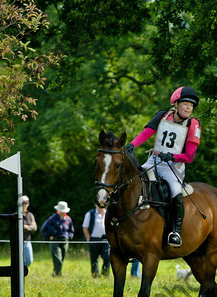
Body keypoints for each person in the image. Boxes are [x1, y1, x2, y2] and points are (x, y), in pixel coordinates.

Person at [125, 86, 201, 247]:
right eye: (186, 104)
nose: (189, 108)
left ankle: (176, 231)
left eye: (191, 105)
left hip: (174, 167)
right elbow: (147, 134)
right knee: (133, 181)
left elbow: (190, 156)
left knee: (175, 191)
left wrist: (172, 156)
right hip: (153, 161)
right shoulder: (162, 116)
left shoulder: (193, 124)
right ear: (176, 104)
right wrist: (132, 145)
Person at [41, 201, 74, 276]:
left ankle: (55, 272)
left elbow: (71, 230)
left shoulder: (68, 219)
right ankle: (58, 274)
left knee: (61, 258)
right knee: (57, 259)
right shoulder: (52, 219)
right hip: (55, 240)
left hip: (65, 240)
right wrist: (48, 236)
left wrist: (68, 236)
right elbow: (44, 229)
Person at [82, 202, 110, 278]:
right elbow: (85, 227)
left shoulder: (108, 214)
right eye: (99, 204)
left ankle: (105, 274)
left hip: (105, 240)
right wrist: (89, 239)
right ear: (96, 205)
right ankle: (95, 274)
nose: (101, 206)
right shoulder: (90, 214)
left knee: (107, 257)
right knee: (94, 258)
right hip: (93, 239)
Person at [22, 195, 37, 267]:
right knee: (17, 260)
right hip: (18, 241)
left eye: (26, 203)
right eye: (22, 203)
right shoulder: (16, 215)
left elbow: (34, 227)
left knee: (29, 260)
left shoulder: (30, 215)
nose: (24, 204)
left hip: (27, 241)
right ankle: (19, 274)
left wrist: (26, 227)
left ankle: (21, 271)